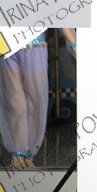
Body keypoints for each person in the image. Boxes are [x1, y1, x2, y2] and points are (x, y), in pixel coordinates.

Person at [0, 28, 76, 169]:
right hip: (6, 45)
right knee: (14, 102)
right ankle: (17, 153)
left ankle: (29, 154)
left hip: (34, 43)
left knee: (36, 101)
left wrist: (73, 43)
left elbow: (57, 14)